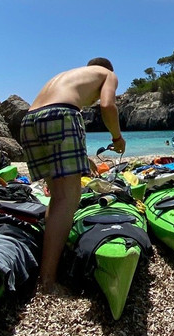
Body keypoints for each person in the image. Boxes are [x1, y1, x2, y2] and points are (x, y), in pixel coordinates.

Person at [19, 57, 124, 293]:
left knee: (57, 197)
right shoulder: (108, 74)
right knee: (68, 200)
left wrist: (81, 158)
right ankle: (47, 281)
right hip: (61, 116)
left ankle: (48, 263)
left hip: (29, 120)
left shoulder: (70, 75)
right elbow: (107, 106)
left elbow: (54, 112)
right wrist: (117, 138)